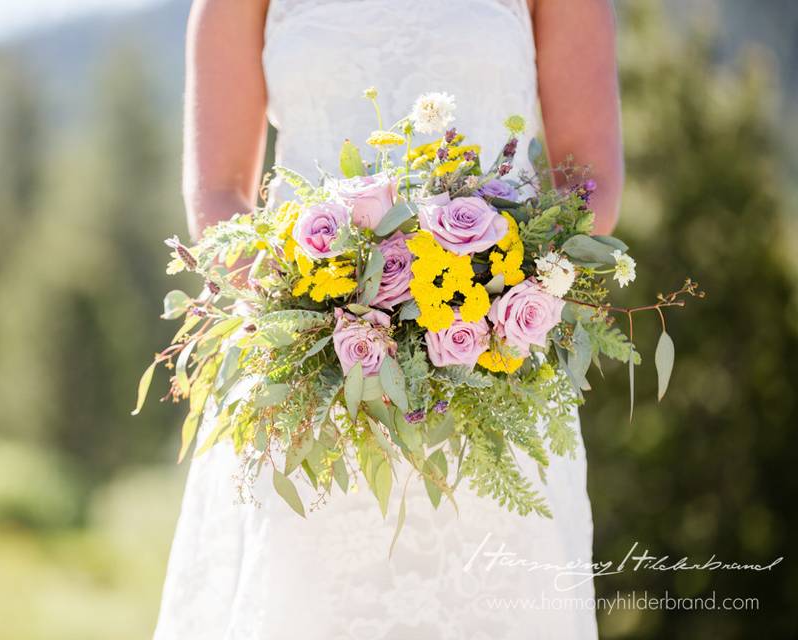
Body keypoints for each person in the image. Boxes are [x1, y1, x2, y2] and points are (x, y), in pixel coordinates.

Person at [156, 1, 622, 638]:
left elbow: (588, 182)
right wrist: (319, 323)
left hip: (498, 380)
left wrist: (489, 306)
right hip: (306, 398)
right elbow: (219, 195)